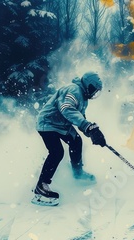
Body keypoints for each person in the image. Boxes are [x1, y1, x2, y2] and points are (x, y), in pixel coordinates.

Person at [32, 71, 107, 206]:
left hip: (62, 125)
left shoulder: (83, 98)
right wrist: (87, 126)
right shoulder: (74, 90)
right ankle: (41, 187)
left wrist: (91, 131)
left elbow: (79, 117)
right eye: (94, 90)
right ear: (88, 85)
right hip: (48, 123)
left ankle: (77, 173)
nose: (94, 94)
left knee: (76, 141)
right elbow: (66, 109)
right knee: (57, 152)